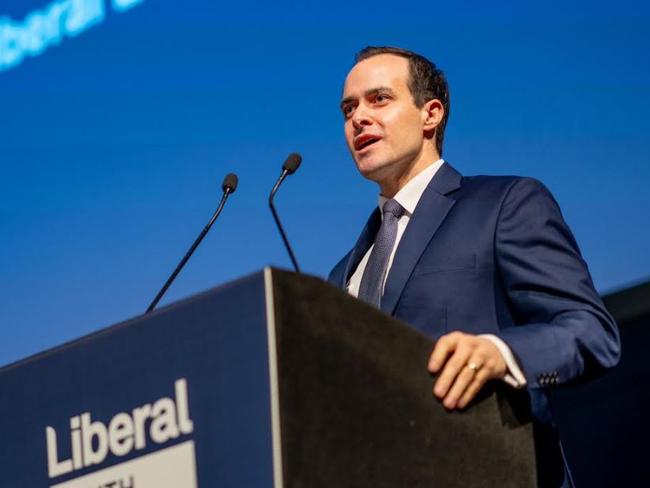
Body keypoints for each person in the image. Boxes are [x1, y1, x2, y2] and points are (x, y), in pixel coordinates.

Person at [328, 46, 621, 488]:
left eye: (379, 99)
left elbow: (590, 332)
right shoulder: (342, 275)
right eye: (349, 108)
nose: (358, 118)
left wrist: (500, 353)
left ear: (431, 114)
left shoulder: (504, 205)